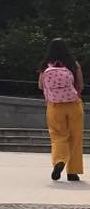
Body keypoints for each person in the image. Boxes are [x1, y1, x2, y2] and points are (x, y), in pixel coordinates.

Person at [38, 38, 84, 182]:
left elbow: (40, 85)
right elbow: (80, 85)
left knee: (58, 136)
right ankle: (73, 172)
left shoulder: (46, 65)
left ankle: (59, 161)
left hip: (54, 106)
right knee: (75, 137)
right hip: (74, 104)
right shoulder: (73, 64)